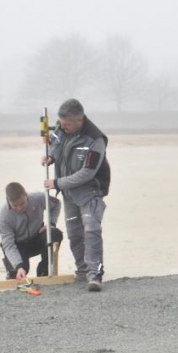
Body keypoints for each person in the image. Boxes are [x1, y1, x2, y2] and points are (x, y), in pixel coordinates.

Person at [42, 98, 109, 292]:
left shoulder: (95, 140)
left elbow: (87, 173)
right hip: (69, 193)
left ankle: (95, 275)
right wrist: (51, 157)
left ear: (79, 120)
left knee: (91, 230)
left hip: (90, 191)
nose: (63, 127)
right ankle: (82, 271)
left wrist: (57, 183)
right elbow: (56, 144)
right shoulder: (61, 128)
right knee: (74, 234)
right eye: (62, 124)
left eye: (67, 125)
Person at [0, 182, 62, 280]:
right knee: (18, 273)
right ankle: (14, 272)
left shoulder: (38, 198)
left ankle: (44, 272)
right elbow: (9, 245)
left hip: (37, 239)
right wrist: (19, 266)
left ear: (26, 195)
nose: (19, 208)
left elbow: (57, 204)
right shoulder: (3, 216)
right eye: (15, 205)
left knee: (54, 233)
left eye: (22, 203)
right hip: (18, 245)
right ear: (8, 200)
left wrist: (51, 223)